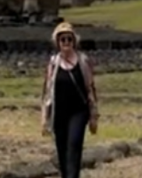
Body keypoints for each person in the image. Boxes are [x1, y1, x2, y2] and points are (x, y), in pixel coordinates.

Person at [40, 22, 99, 178]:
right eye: (63, 40)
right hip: (59, 113)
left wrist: (94, 116)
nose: (66, 43)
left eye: (69, 39)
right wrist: (44, 118)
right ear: (58, 43)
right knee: (62, 150)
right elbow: (47, 92)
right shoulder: (53, 63)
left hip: (79, 111)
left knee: (74, 145)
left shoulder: (83, 62)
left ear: (74, 41)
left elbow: (90, 89)